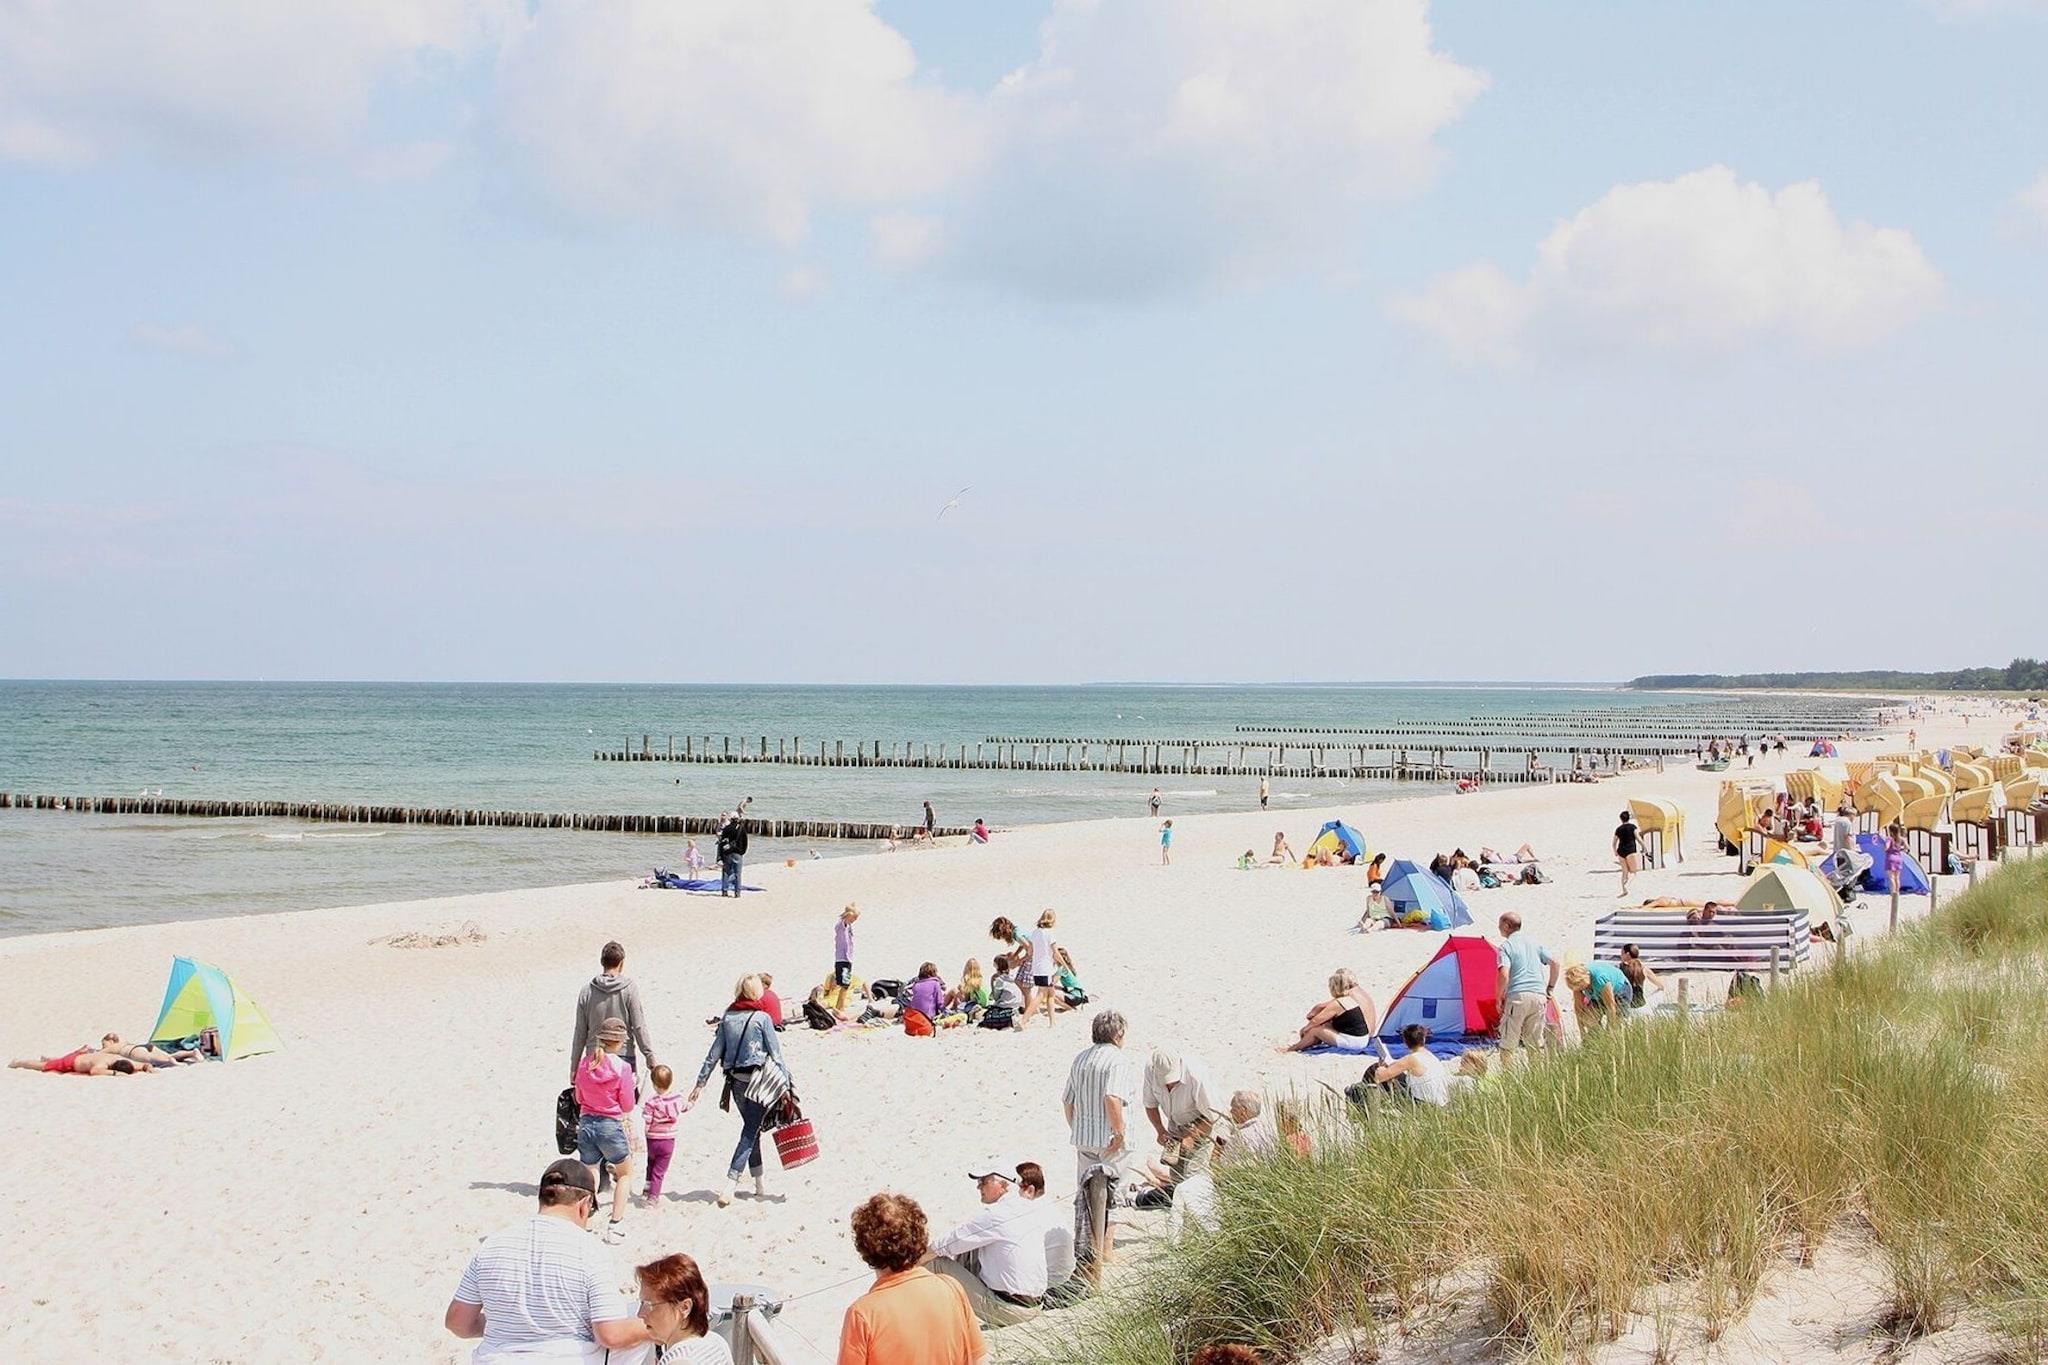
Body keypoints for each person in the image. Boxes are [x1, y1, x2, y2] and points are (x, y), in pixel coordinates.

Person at [443, 1158, 651, 1360]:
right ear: (584, 1204)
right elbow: (611, 1335)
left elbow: (458, 1323)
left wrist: (506, 1325)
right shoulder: (589, 1249)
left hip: (496, 1359)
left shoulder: (493, 1244)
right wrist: (659, 1324)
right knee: (643, 1319)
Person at [838, 1192, 988, 1365]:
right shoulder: (951, 1288)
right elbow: (979, 1359)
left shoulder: (863, 1313)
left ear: (865, 1248)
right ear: (919, 1238)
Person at [690, 974, 788, 1207]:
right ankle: (731, 1183)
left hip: (735, 1083)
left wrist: (700, 1083)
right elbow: (776, 1054)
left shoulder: (728, 1018)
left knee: (751, 1129)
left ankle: (759, 1183)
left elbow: (714, 1054)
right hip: (757, 1083)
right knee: (750, 1131)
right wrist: (786, 1084)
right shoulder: (762, 1018)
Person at [1063, 1010, 1141, 1286]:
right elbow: (1112, 1097)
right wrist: (1118, 1133)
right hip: (1109, 1139)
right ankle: (1106, 1250)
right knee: (1114, 1193)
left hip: (1085, 1137)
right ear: (1118, 1035)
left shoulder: (1080, 1058)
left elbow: (1068, 1101)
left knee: (1087, 1195)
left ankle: (1090, 1251)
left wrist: (1076, 1126)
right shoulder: (1117, 1060)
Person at [924, 1166, 1049, 1327]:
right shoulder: (1029, 1209)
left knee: (936, 1262)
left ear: (1004, 1185)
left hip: (1011, 1311)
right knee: (969, 1248)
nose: (979, 1186)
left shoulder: (997, 1214)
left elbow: (945, 1245)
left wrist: (911, 1262)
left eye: (984, 1181)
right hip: (1036, 1306)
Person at [1134, 1046, 1223, 1208]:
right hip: (1174, 1123)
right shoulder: (1151, 1070)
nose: (1169, 1084)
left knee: (1194, 1176)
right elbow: (1150, 1104)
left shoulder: (1196, 1075)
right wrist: (1160, 1130)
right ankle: (1181, 1212)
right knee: (1177, 1177)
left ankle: (1196, 1212)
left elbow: (1213, 1115)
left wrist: (1191, 1137)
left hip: (1201, 1124)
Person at [574, 1017, 636, 1243]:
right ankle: (615, 1225)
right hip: (610, 1124)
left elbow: (579, 1096)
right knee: (624, 1174)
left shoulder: (585, 1063)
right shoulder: (623, 1068)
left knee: (589, 1174)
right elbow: (628, 1105)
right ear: (619, 1042)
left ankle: (584, 1223)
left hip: (586, 1122)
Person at [609, 1253, 732, 1365]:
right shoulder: (716, 1343)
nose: (640, 1314)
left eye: (648, 1305)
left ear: (684, 1307)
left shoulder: (679, 1360)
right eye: (641, 1303)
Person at [572, 941, 659, 1097]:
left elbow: (580, 1032)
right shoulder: (629, 989)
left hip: (594, 1056)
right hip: (624, 1054)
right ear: (622, 963)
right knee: (626, 1106)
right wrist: (649, 1055)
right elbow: (639, 1026)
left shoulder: (587, 991)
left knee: (597, 1104)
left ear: (602, 962)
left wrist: (574, 1066)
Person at [1494, 912, 1557, 1065]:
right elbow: (1555, 963)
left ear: (1506, 926)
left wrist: (1498, 997)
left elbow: (1504, 975)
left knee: (1508, 1044)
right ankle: (1536, 1075)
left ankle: (1507, 1076)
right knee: (1534, 1043)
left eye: (1500, 924)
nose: (1498, 927)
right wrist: (1550, 988)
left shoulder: (1506, 947)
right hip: (1539, 996)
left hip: (1518, 996)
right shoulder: (1535, 943)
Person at [1283, 969, 1377, 1053]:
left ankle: (1293, 1048)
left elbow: (1315, 1020)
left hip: (1356, 1041)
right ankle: (1308, 1042)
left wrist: (1305, 1029)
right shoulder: (1353, 996)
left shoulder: (1341, 1001)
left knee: (1316, 1030)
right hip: (1364, 1037)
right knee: (1324, 1025)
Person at [1364, 1024, 1453, 1107]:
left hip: (1424, 1104)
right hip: (1441, 1103)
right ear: (1423, 1039)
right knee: (1397, 1074)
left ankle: (1366, 1103)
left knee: (1375, 1070)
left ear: (1405, 1042)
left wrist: (1380, 1068)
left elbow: (1380, 1077)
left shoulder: (1411, 1059)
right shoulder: (1430, 1056)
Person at [641, 1065, 685, 1204]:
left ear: (654, 1084)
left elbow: (647, 1120)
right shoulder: (677, 1098)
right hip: (668, 1140)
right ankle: (653, 1197)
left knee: (650, 1164)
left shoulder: (651, 1102)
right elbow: (684, 1107)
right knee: (659, 1171)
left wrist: (645, 1132)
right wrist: (692, 1102)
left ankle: (647, 1189)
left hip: (652, 1140)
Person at [1017, 910, 1062, 1032]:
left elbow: (1030, 951)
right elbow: (1056, 952)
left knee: (1051, 994)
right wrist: (1064, 964)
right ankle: (1023, 1020)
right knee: (1041, 995)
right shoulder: (1050, 933)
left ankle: (1053, 1022)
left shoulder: (1035, 933)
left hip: (1037, 968)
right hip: (1045, 969)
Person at [1564, 961, 1630, 1031]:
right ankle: (1598, 1034)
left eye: (1582, 988)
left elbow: (1611, 1006)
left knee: (1616, 1024)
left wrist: (1610, 1029)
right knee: (1588, 1018)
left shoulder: (1599, 979)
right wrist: (1582, 1031)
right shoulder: (1575, 982)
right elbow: (1578, 1008)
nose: (1581, 991)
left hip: (1620, 990)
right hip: (1596, 994)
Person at [8, 1044, 146, 1076]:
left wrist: (145, 1068)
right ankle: (18, 1062)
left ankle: (49, 1058)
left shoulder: (116, 1058)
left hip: (78, 1056)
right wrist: (115, 1074)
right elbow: (94, 1071)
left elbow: (141, 1065)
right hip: (69, 1063)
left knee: (53, 1061)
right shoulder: (102, 1064)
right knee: (42, 1066)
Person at [1219, 1091, 1274, 1163]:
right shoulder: (1268, 1131)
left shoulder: (1239, 1137)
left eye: (1233, 1108)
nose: (1231, 1111)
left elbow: (1223, 1165)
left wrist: (1217, 1150)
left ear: (1243, 1111)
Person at [1617, 943, 1666, 1012]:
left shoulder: (1619, 969)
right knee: (1660, 991)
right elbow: (1661, 986)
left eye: (1622, 953)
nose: (1620, 956)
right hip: (1641, 1007)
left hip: (1625, 1008)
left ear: (1627, 954)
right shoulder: (1643, 968)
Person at [906, 963, 948, 1033]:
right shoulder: (935, 983)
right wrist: (945, 1011)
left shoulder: (916, 984)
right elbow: (939, 1002)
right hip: (928, 1017)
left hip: (915, 1015)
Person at [715, 812, 748, 898]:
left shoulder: (726, 828)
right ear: (737, 819)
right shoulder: (741, 828)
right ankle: (737, 892)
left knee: (726, 872)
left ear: (730, 819)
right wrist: (742, 852)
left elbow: (722, 842)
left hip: (727, 853)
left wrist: (720, 856)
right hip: (738, 853)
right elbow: (745, 842)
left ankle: (724, 891)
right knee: (737, 874)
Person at [1612, 811, 1641, 897]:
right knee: (1634, 872)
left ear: (1621, 819)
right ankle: (1627, 886)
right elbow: (1638, 838)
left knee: (1624, 872)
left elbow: (1614, 843)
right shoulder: (1632, 827)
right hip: (1630, 850)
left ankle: (1624, 890)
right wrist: (1644, 847)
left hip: (1621, 851)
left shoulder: (1618, 829)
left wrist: (1615, 851)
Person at [834, 904, 860, 988]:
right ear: (849, 915)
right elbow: (843, 922)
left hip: (848, 958)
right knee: (843, 983)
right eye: (854, 917)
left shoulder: (848, 926)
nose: (855, 920)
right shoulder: (841, 925)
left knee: (846, 982)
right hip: (842, 958)